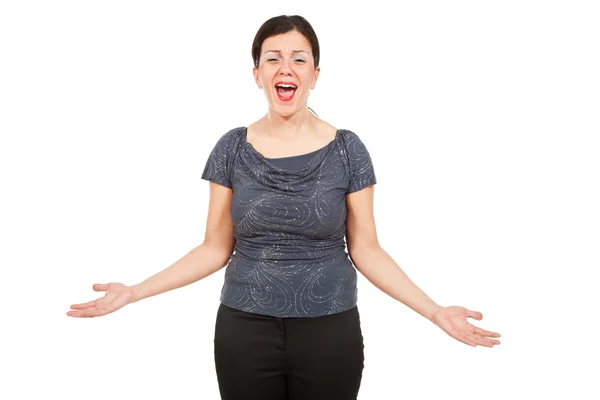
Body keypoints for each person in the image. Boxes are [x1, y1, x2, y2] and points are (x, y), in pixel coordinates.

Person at [67, 14, 501, 400]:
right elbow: (215, 248)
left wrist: (434, 311)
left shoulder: (348, 150)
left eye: (299, 58)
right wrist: (135, 292)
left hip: (330, 331)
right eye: (273, 58)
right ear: (257, 74)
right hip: (243, 330)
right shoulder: (232, 148)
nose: (286, 67)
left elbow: (366, 249)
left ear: (315, 73)